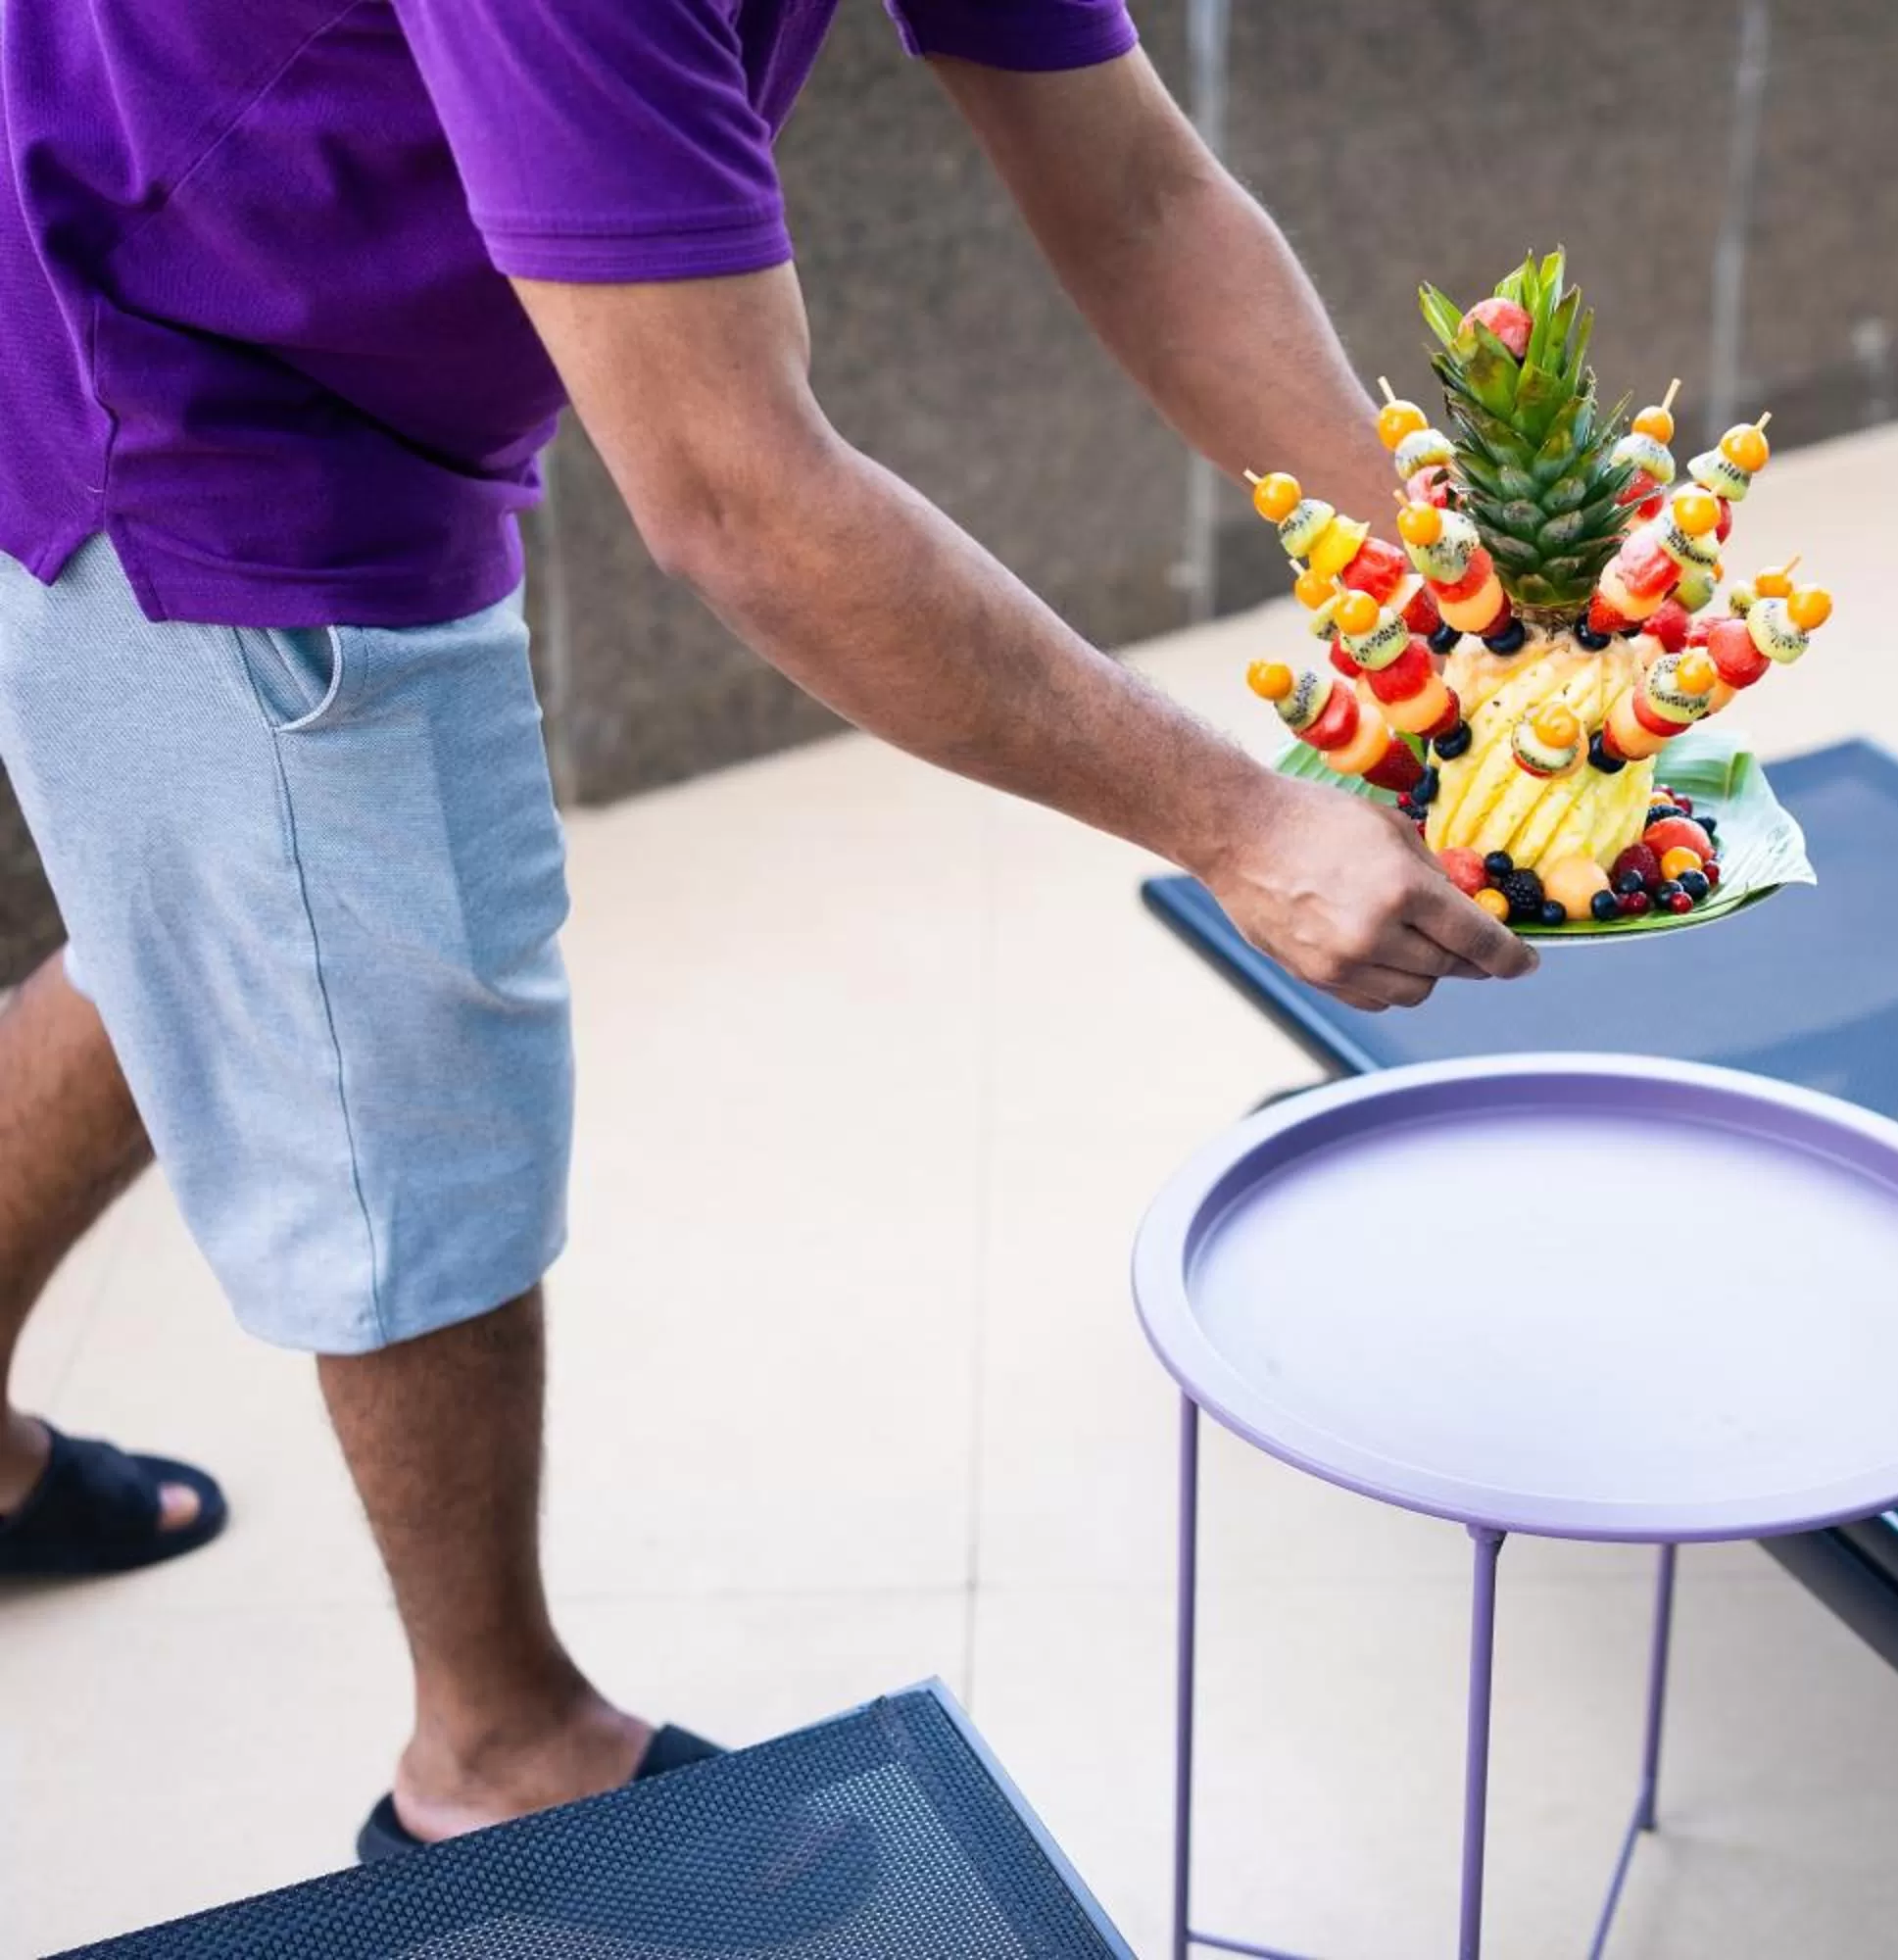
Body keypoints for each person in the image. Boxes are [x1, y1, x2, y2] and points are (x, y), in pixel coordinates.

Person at [0, 0, 1531, 1859]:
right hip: (161, 372)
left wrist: (1448, 605)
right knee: (392, 1039)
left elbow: (1134, 189)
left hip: (286, 281)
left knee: (253, 922)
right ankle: (500, 1755)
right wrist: (1241, 821)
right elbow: (733, 493)